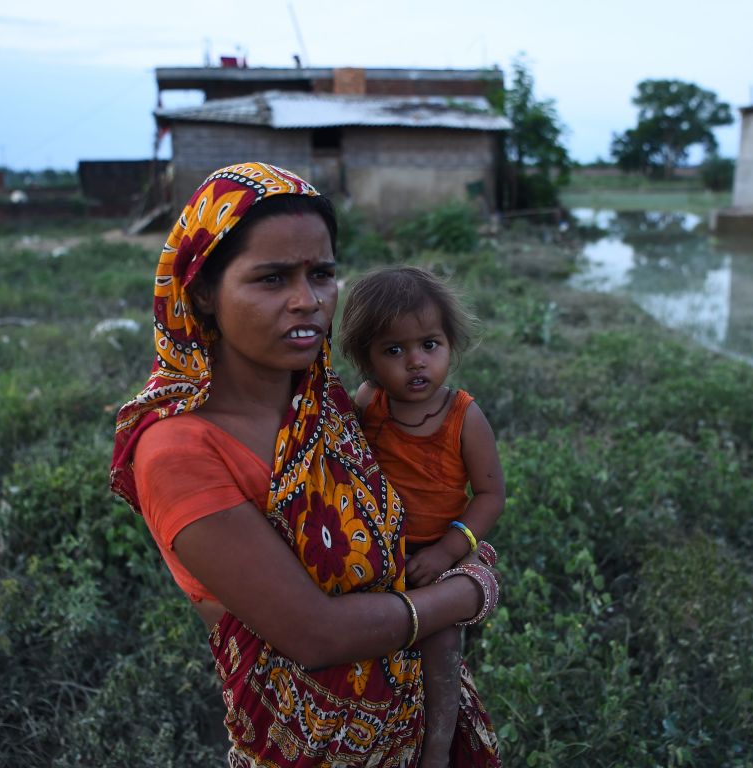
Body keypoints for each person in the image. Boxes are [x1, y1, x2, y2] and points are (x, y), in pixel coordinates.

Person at [109, 162, 502, 767]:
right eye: (271, 279)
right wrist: (468, 590)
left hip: (415, 731)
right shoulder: (177, 453)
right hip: (306, 750)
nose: (308, 301)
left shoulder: (327, 405)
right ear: (205, 292)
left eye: (321, 274)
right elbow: (313, 634)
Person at [340, 267, 505, 768]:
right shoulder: (371, 403)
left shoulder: (463, 416)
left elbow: (491, 494)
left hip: (439, 548)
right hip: (375, 552)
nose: (415, 361)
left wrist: (447, 551)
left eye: (429, 344)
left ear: (450, 343)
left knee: (441, 638)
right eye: (393, 350)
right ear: (367, 360)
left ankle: (436, 749)